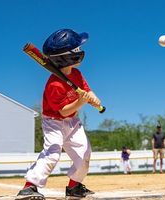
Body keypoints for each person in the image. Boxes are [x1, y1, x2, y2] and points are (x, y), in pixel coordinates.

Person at [16, 29, 102, 200]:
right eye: (76, 49)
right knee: (53, 152)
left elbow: (87, 90)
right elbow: (64, 110)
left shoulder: (76, 74)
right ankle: (29, 187)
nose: (80, 51)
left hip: (73, 122)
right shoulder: (54, 84)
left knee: (85, 152)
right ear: (67, 57)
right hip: (53, 122)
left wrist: (94, 99)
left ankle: (74, 186)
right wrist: (81, 102)